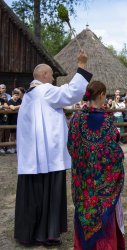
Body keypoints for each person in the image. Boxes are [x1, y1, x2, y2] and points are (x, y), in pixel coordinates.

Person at [14, 50, 93, 247]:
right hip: (49, 157)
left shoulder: (28, 96)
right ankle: (47, 234)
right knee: (49, 194)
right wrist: (82, 66)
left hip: (32, 158)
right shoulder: (45, 91)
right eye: (51, 75)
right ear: (43, 76)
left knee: (33, 196)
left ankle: (29, 234)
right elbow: (71, 93)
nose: (53, 79)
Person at [67, 80, 125, 250]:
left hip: (83, 180)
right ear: (100, 95)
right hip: (102, 184)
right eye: (105, 95)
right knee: (104, 213)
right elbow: (114, 153)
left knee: (84, 211)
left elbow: (71, 146)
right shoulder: (107, 121)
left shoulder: (76, 118)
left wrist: (83, 163)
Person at [7, 88, 22, 154]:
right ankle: (12, 147)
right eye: (15, 95)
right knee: (12, 134)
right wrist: (20, 106)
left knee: (18, 134)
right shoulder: (10, 101)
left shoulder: (20, 100)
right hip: (12, 120)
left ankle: (17, 147)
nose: (16, 96)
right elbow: (12, 108)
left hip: (19, 120)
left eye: (17, 95)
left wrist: (18, 106)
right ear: (12, 95)